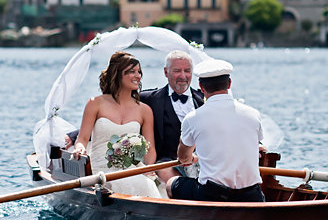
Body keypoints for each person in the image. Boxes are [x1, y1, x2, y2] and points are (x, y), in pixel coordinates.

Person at [167, 58, 266, 202]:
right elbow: (256, 143)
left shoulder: (192, 118)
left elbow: (183, 158)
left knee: (171, 184)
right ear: (229, 84)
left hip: (213, 194)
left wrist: (191, 158)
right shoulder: (253, 113)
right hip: (251, 195)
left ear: (201, 87)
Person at [72, 51, 162, 198]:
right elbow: (82, 138)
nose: (137, 76)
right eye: (131, 72)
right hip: (100, 168)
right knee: (126, 182)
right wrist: (80, 148)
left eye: (139, 72)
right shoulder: (95, 103)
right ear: (118, 74)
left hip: (130, 168)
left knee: (144, 183)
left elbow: (150, 149)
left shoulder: (145, 110)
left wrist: (148, 167)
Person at [139, 50, 204, 181]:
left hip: (203, 163)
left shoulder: (204, 100)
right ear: (165, 72)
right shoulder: (147, 99)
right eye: (177, 71)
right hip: (167, 165)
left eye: (187, 70)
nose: (183, 76)